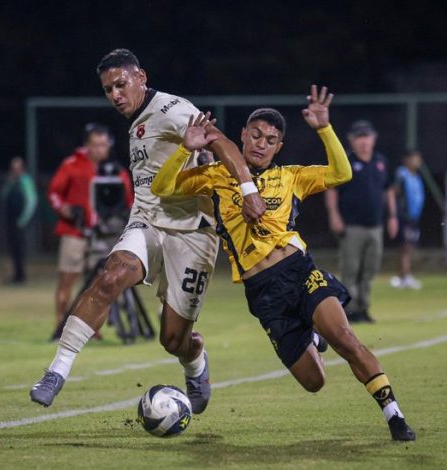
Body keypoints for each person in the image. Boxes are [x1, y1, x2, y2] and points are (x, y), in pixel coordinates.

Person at [151, 85, 416, 441]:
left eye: (270, 140)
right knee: (314, 381)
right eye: (256, 135)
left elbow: (342, 174)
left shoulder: (291, 177)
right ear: (242, 135)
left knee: (344, 338)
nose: (261, 144)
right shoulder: (215, 177)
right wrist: (186, 148)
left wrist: (324, 128)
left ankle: (394, 415)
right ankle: (312, 336)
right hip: (263, 294)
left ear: (279, 147)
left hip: (299, 272)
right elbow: (162, 188)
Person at [29, 48, 266, 412]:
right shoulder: (137, 119)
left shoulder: (171, 108)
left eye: (121, 84)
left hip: (192, 231)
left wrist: (248, 190)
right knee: (109, 278)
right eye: (108, 89)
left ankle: (195, 361)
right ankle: (56, 372)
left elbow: (221, 141)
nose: (115, 95)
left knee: (173, 340)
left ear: (141, 77)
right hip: (147, 220)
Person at [46, 124, 132, 340]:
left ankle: (90, 327)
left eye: (103, 145)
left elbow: (128, 201)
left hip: (103, 235)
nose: (100, 150)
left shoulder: (115, 171)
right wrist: (65, 209)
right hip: (74, 231)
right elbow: (54, 193)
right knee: (68, 279)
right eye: (95, 145)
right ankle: (61, 324)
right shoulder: (72, 165)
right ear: (86, 145)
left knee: (98, 284)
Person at [324, 119, 398, 323]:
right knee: (350, 269)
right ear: (352, 140)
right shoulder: (346, 162)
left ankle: (363, 307)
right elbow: (332, 190)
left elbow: (388, 190)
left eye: (367, 137)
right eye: (359, 138)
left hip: (375, 225)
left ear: (373, 139)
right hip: (352, 226)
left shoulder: (380, 162)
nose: (364, 142)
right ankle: (350, 310)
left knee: (370, 269)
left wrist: (392, 216)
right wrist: (334, 215)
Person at [390, 150, 425, 290]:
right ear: (407, 160)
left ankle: (405, 276)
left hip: (413, 217)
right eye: (414, 159)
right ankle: (404, 277)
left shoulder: (416, 176)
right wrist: (394, 213)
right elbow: (394, 192)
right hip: (403, 217)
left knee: (409, 247)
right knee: (405, 247)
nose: (417, 162)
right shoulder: (402, 175)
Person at [0, 156, 37, 284]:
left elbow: (32, 201)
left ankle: (21, 275)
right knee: (13, 248)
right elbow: (3, 196)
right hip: (11, 221)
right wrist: (9, 183)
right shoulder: (11, 182)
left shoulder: (26, 181)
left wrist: (23, 220)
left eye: (17, 168)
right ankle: (16, 274)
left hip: (21, 222)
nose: (14, 170)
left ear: (22, 168)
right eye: (13, 168)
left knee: (21, 249)